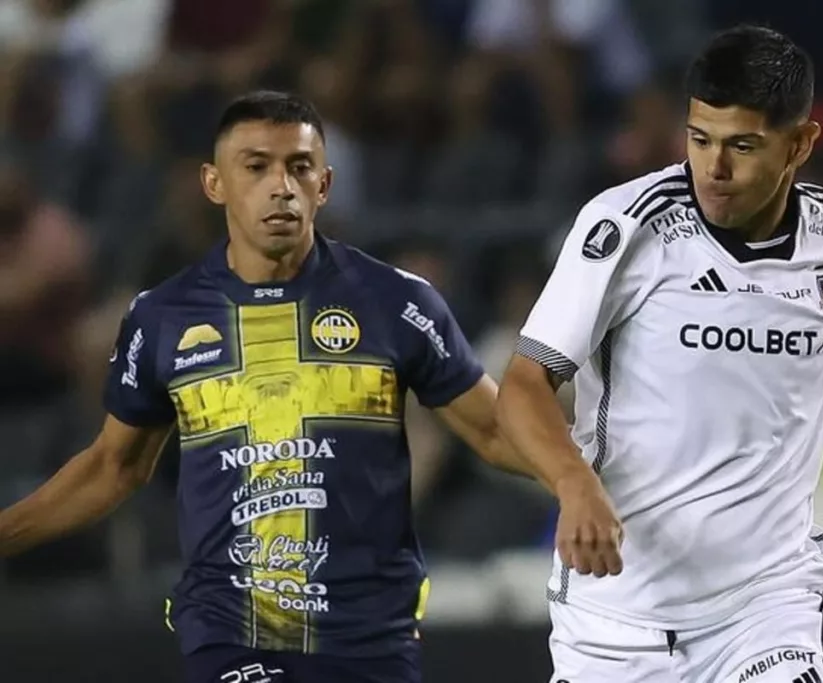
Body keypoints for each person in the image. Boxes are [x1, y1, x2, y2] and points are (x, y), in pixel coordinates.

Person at [496, 25, 823, 683]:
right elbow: (523, 385)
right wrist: (573, 483)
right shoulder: (626, 228)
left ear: (800, 143)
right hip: (616, 622)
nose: (713, 170)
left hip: (768, 612)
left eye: (742, 146)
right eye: (700, 139)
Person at [0, 90, 541, 683]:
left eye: (299, 167)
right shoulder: (163, 317)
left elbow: (495, 428)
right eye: (256, 167)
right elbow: (113, 467)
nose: (280, 186)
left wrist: (597, 482)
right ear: (215, 183)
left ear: (325, 185)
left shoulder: (398, 303)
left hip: (369, 636)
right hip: (232, 631)